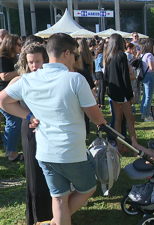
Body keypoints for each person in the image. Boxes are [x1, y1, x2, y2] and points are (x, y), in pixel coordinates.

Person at [0, 32, 107, 225]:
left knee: (58, 197)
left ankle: (54, 222)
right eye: (76, 55)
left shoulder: (29, 79)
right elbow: (96, 117)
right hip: (71, 152)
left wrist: (29, 115)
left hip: (45, 152)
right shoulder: (75, 79)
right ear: (67, 53)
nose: (76, 59)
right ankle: (53, 223)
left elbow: (3, 100)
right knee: (88, 188)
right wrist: (103, 121)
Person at [11, 43, 52, 225]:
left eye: (38, 61)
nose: (34, 65)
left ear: (45, 60)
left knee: (50, 172)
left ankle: (53, 215)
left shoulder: (50, 78)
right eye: (31, 62)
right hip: (30, 130)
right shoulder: (22, 80)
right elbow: (4, 100)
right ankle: (38, 218)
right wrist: (27, 115)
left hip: (49, 131)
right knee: (34, 174)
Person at [105, 33, 137, 151]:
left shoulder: (109, 56)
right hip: (121, 92)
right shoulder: (121, 55)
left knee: (118, 119)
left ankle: (119, 146)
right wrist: (130, 95)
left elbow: (106, 76)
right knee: (130, 119)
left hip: (113, 92)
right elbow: (125, 77)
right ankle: (135, 147)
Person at [0, 34, 23, 161]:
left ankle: (9, 151)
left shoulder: (9, 58)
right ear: (11, 45)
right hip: (4, 95)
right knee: (14, 121)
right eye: (18, 44)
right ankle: (13, 153)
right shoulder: (3, 58)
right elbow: (4, 76)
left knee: (11, 121)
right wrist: (22, 71)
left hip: (8, 94)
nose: (21, 47)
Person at [140, 38, 154, 122]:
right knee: (149, 97)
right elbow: (152, 67)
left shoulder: (143, 54)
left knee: (145, 96)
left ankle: (143, 112)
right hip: (150, 76)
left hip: (145, 76)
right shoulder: (149, 55)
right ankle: (146, 115)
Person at [95, 41, 105, 108]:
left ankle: (99, 103)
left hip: (96, 72)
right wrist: (103, 66)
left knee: (100, 88)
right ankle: (102, 103)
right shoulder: (101, 55)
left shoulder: (96, 55)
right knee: (102, 88)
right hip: (100, 71)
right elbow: (100, 63)